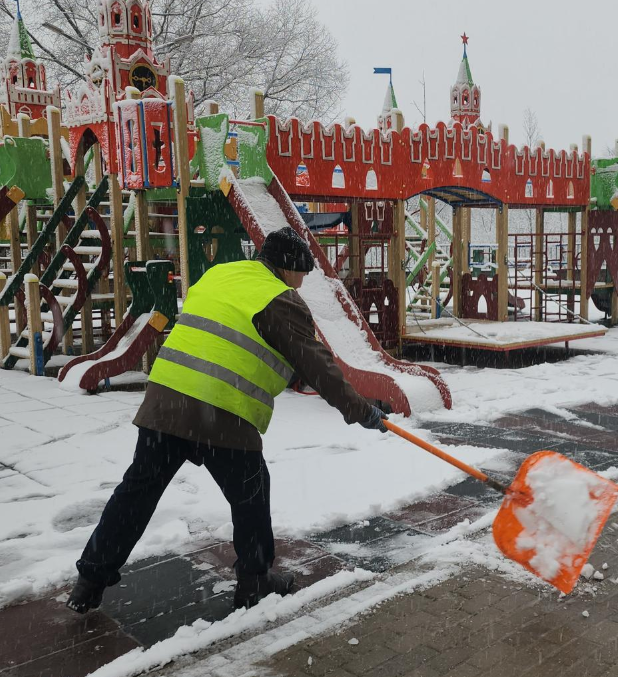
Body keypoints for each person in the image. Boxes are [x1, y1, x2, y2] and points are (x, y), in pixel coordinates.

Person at [66, 227, 388, 613]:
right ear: (287, 268)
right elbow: (320, 368)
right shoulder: (280, 299)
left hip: (165, 400)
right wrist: (362, 411)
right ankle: (254, 581)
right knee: (251, 494)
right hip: (221, 410)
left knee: (137, 492)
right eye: (301, 274)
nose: (301, 283)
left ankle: (89, 580)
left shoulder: (219, 274)